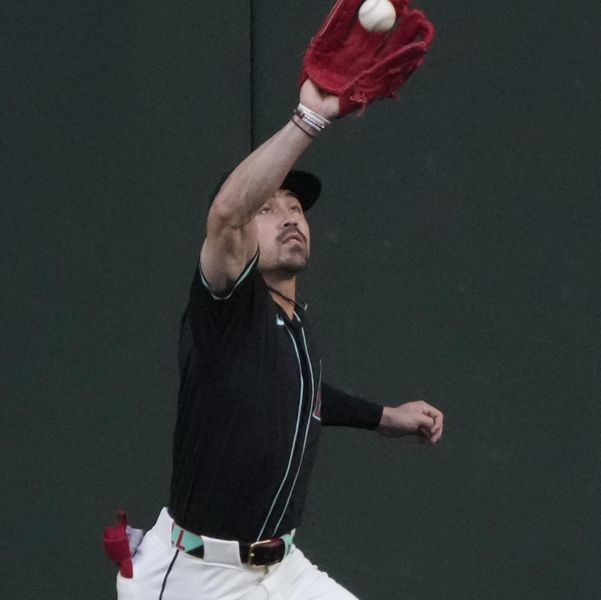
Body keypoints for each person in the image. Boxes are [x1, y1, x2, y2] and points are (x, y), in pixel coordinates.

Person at [114, 75, 444, 599]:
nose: (289, 218)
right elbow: (226, 214)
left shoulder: (292, 318)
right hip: (198, 579)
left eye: (295, 209)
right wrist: (308, 119)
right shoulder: (228, 309)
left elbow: (302, 394)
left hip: (281, 569)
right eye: (268, 209)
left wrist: (384, 417)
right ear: (243, 235)